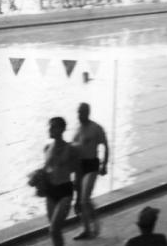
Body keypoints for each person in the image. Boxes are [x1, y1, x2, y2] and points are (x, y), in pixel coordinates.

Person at [72, 103, 109, 240]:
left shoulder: (96, 128)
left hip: (92, 165)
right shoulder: (77, 130)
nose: (79, 115)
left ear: (87, 113)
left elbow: (106, 145)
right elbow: (73, 151)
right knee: (82, 201)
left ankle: (90, 228)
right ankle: (91, 225)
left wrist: (104, 164)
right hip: (80, 166)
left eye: (81, 113)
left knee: (84, 199)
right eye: (78, 113)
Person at [42, 117, 79, 246]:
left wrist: (79, 199)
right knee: (54, 230)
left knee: (54, 229)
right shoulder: (47, 148)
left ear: (62, 129)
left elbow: (78, 173)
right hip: (50, 191)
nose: (50, 129)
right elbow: (46, 170)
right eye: (50, 126)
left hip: (65, 191)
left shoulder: (70, 149)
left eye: (53, 127)